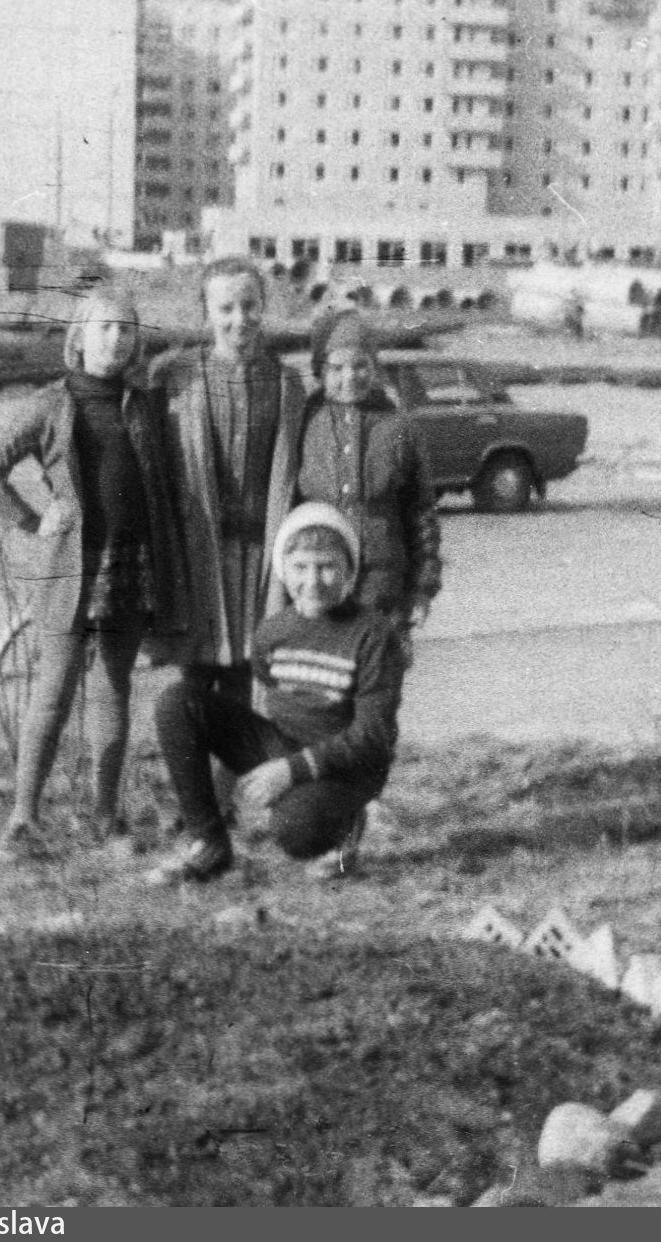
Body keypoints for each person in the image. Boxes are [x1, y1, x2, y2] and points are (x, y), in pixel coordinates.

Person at [0, 279, 190, 853]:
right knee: (53, 692)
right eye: (105, 329)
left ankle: (104, 813)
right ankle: (23, 818)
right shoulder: (50, 404)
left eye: (127, 330)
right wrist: (32, 520)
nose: (116, 341)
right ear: (79, 338)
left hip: (131, 566)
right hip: (69, 568)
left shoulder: (144, 404)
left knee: (112, 689)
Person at [145, 503, 401, 883]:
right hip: (284, 744)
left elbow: (374, 736)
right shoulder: (272, 632)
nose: (313, 581)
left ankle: (349, 822)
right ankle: (208, 843)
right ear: (284, 569)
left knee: (296, 833)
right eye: (300, 568)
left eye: (327, 566)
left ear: (349, 569)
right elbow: (274, 694)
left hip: (349, 766)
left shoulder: (373, 634)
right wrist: (266, 762)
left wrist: (290, 771)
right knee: (177, 703)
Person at [147, 256, 309, 709]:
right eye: (226, 308)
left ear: (264, 306)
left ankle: (235, 778)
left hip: (261, 557)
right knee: (193, 683)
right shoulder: (175, 376)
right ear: (206, 312)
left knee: (246, 682)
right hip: (199, 556)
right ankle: (192, 779)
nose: (240, 319)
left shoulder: (284, 381)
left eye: (250, 305)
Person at [294, 309, 442, 656]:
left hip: (383, 591)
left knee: (376, 692)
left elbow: (421, 515)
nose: (350, 377)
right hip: (316, 590)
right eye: (337, 367)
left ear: (374, 367)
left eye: (360, 365)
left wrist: (422, 590)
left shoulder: (399, 427)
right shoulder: (302, 422)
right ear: (320, 370)